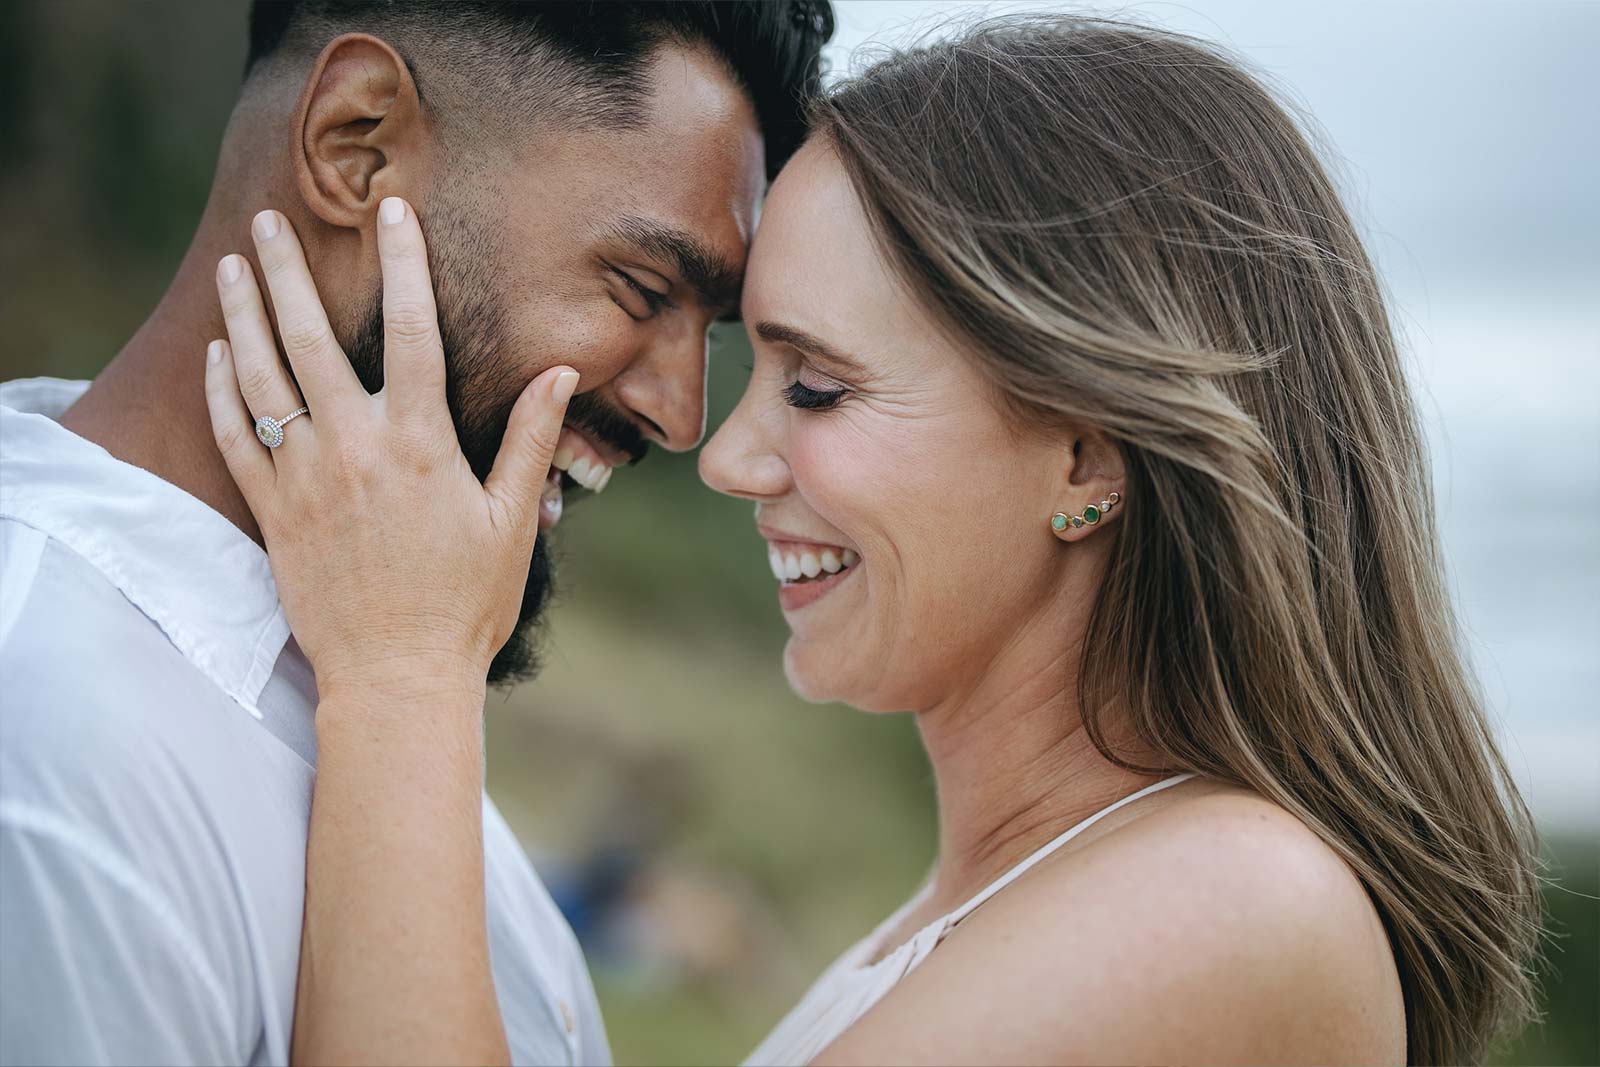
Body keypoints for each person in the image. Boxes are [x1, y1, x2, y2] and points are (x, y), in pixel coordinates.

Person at [206, 14, 1543, 1067]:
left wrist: (399, 670)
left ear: (1085, 452)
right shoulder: (998, 904)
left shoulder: (1234, 903)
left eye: (820, 385)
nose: (724, 454)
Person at [0, 3, 832, 1064]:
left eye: (706, 334)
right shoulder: (49, 750)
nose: (680, 415)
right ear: (357, 145)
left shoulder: (372, 659)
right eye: (641, 286)